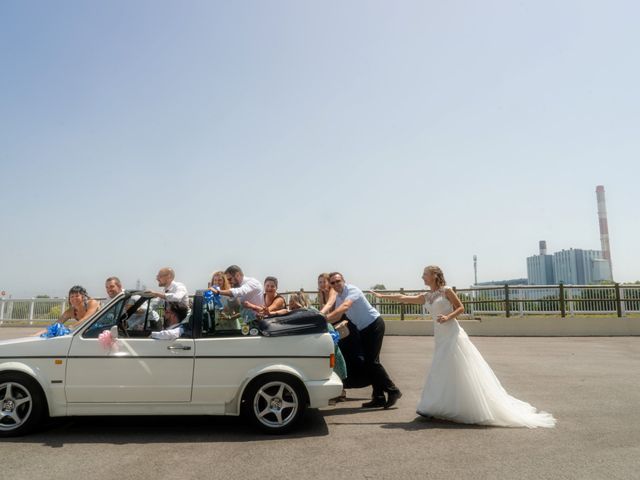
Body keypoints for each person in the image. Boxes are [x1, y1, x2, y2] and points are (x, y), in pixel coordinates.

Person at [371, 265, 556, 428]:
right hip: (440, 337)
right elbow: (404, 297)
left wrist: (447, 317)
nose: (422, 277)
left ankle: (455, 406)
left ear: (434, 275)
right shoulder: (426, 296)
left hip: (452, 334)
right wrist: (382, 296)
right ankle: (437, 406)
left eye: (425, 274)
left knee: (455, 367)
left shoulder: (446, 291)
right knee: (442, 369)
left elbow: (461, 307)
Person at [326, 272, 401, 409]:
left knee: (372, 362)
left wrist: (324, 318)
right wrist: (323, 321)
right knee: (370, 362)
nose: (336, 284)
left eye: (338, 281)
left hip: (374, 325)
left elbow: (345, 307)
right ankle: (378, 397)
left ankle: (393, 390)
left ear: (343, 280)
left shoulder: (352, 290)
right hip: (364, 329)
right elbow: (338, 316)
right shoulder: (339, 297)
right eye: (333, 283)